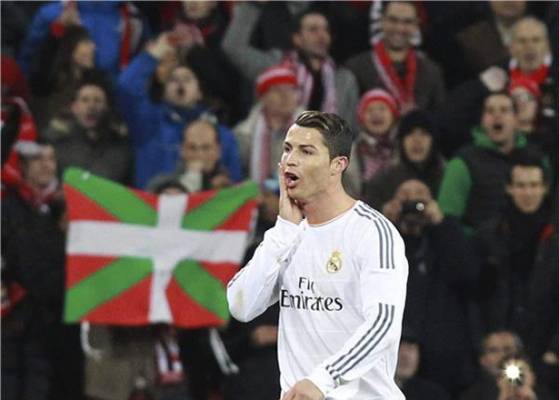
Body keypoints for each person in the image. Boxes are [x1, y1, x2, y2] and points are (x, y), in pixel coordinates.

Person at [227, 111, 408, 399]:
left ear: (338, 165)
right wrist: (283, 230)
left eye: (306, 151)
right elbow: (241, 305)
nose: (291, 160)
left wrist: (323, 379)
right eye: (288, 149)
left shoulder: (372, 232)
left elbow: (382, 324)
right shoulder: (288, 236)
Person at [1, 141, 84, 400]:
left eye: (51, 159)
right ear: (23, 166)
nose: (46, 165)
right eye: (38, 159)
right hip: (18, 319)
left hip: (62, 319)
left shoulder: (72, 207)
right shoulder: (8, 209)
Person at [383, 179, 480, 395]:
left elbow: (466, 275)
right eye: (405, 196)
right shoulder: (383, 235)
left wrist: (441, 223)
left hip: (439, 350)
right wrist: (385, 222)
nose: (413, 202)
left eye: (420, 196)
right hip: (394, 347)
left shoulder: (445, 235)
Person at [116, 32, 242, 188]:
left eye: (187, 79)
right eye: (173, 80)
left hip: (204, 203)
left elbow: (234, 188)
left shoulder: (223, 135)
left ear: (199, 92)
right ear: (164, 90)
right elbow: (126, 88)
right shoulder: (148, 123)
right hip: (154, 201)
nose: (180, 84)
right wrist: (153, 54)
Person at [222, 5, 359, 127]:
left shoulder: (344, 79)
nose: (322, 36)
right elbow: (234, 48)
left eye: (326, 30)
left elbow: (350, 129)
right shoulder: (275, 66)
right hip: (277, 145)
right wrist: (253, 5)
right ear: (297, 39)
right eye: (313, 30)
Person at [437, 92, 539, 234]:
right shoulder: (462, 163)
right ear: (482, 120)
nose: (497, 116)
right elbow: (448, 220)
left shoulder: (536, 158)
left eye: (504, 110)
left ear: (516, 119)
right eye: (489, 111)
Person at [475, 149, 551, 336]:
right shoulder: (490, 234)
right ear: (509, 188)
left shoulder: (553, 235)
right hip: (501, 332)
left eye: (534, 185)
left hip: (545, 334)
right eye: (521, 186)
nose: (528, 193)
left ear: (545, 188)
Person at [345, 1, 445, 113]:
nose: (399, 28)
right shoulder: (356, 68)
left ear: (416, 25)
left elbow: (439, 117)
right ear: (381, 21)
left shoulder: (431, 71)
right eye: (393, 20)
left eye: (407, 22)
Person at [44, 78, 131, 184]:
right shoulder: (56, 145)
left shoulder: (121, 148)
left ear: (106, 108)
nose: (91, 106)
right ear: (74, 107)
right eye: (85, 100)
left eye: (98, 101)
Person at [234, 65, 303, 188]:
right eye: (278, 90)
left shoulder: (313, 131)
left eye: (291, 89)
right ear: (263, 97)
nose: (286, 96)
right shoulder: (243, 133)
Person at [364, 109, 445, 211]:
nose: (417, 141)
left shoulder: (446, 178)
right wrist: (383, 212)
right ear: (401, 141)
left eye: (424, 134)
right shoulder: (384, 180)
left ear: (434, 140)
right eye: (410, 134)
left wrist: (442, 218)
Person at [460, 331, 553, 400]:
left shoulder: (540, 391)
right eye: (493, 350)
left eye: (507, 349)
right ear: (483, 360)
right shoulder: (473, 395)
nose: (502, 355)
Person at [147, 117, 230, 193]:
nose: (199, 154)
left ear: (218, 151)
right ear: (182, 150)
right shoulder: (159, 186)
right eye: (192, 148)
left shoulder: (231, 187)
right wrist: (191, 178)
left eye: (206, 148)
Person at [344, 88, 400, 197]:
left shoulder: (403, 148)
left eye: (382, 109)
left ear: (393, 115)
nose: (376, 114)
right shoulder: (350, 152)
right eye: (369, 110)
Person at [395, 333, 449, 400]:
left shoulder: (434, 395)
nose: (405, 355)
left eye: (410, 348)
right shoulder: (382, 390)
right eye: (399, 348)